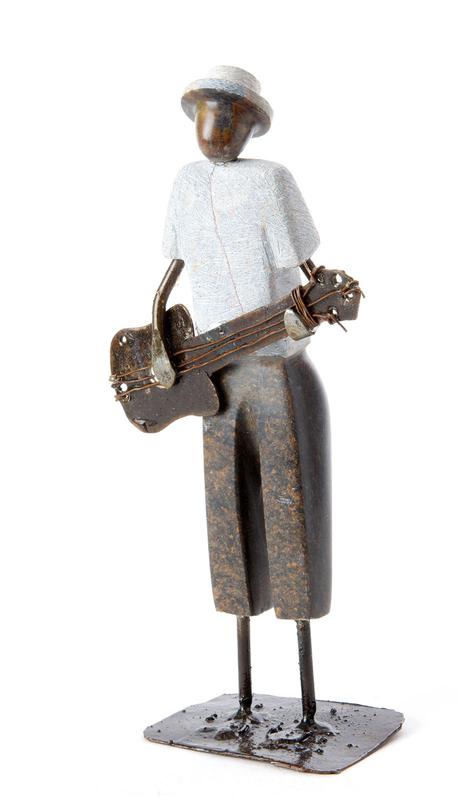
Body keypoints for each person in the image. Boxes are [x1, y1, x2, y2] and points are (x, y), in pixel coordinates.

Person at [158, 66, 333, 741]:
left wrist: (316, 302)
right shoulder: (184, 184)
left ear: (248, 123)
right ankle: (243, 689)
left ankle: (306, 693)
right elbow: (172, 269)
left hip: (274, 367)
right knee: (226, 512)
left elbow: (307, 267)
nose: (216, 131)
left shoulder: (269, 182)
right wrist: (156, 337)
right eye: (206, 115)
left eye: (228, 117)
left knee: (292, 508)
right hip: (212, 375)